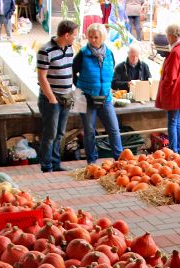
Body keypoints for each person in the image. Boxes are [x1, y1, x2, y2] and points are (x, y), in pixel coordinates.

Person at [73, 23, 123, 164]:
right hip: (85, 98)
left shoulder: (109, 53)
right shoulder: (82, 54)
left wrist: (106, 89)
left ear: (103, 38)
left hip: (105, 97)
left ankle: (119, 160)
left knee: (114, 129)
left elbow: (111, 73)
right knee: (89, 131)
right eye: (90, 37)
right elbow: (72, 73)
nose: (93, 40)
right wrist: (81, 89)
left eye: (96, 37)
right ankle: (92, 162)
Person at [37, 20, 78, 173]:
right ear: (66, 35)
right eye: (74, 35)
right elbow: (42, 77)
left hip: (66, 96)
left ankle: (55, 163)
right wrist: (52, 99)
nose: (76, 37)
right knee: (50, 134)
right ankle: (46, 166)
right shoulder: (45, 50)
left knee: (60, 133)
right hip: (51, 99)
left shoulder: (69, 48)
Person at [155, 23, 180, 154]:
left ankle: (174, 150)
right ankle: (178, 149)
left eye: (167, 36)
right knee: (177, 122)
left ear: (171, 36)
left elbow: (170, 76)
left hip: (175, 93)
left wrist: (163, 90)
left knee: (172, 122)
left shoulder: (176, 52)